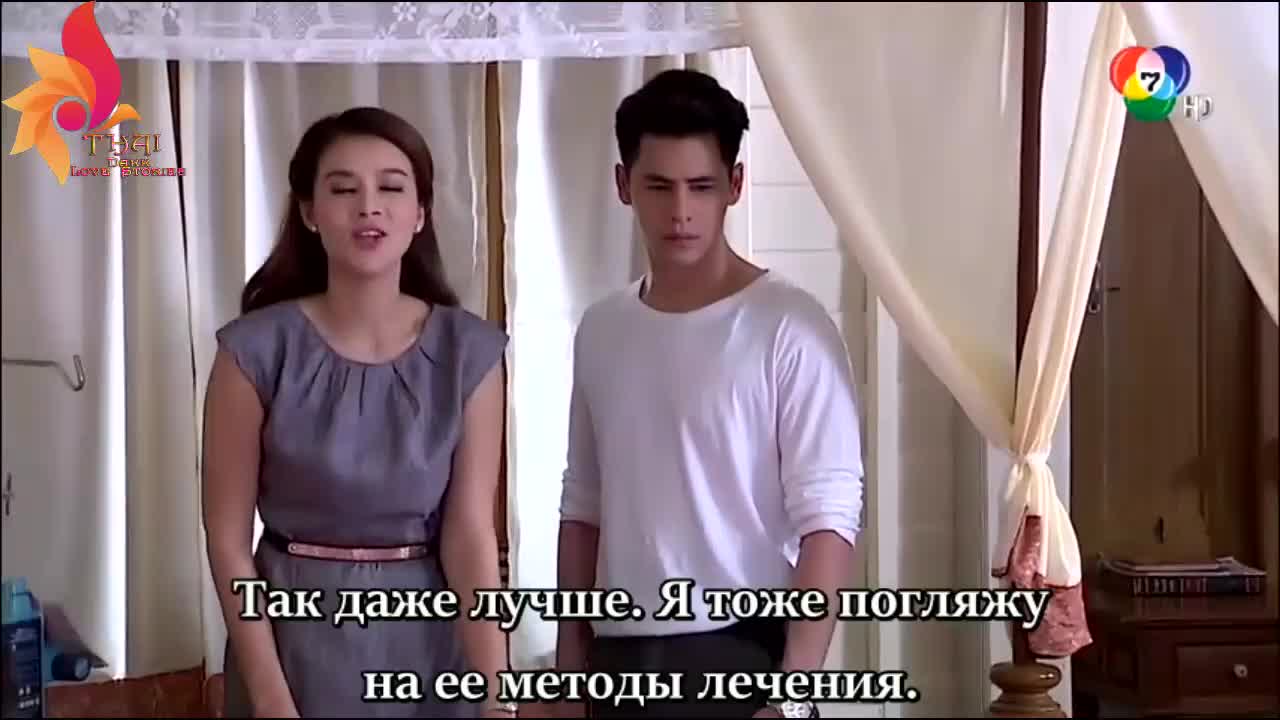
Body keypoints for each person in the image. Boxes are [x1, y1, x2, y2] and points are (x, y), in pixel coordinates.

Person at [553, 69, 866, 719]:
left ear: (735, 185)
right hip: (619, 658)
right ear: (623, 185)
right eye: (658, 186)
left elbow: (829, 520)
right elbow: (582, 505)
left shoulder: (789, 327)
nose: (680, 211)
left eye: (701, 186)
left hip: (744, 651)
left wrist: (793, 696)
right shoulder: (603, 328)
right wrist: (568, 672)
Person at [201, 107, 514, 719]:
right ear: (310, 212)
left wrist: (499, 696)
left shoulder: (470, 352)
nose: (369, 207)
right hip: (291, 645)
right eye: (343, 190)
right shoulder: (253, 351)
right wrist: (271, 701)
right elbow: (228, 542)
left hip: (428, 648)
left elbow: (471, 535)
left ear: (420, 213)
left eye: (391, 188)